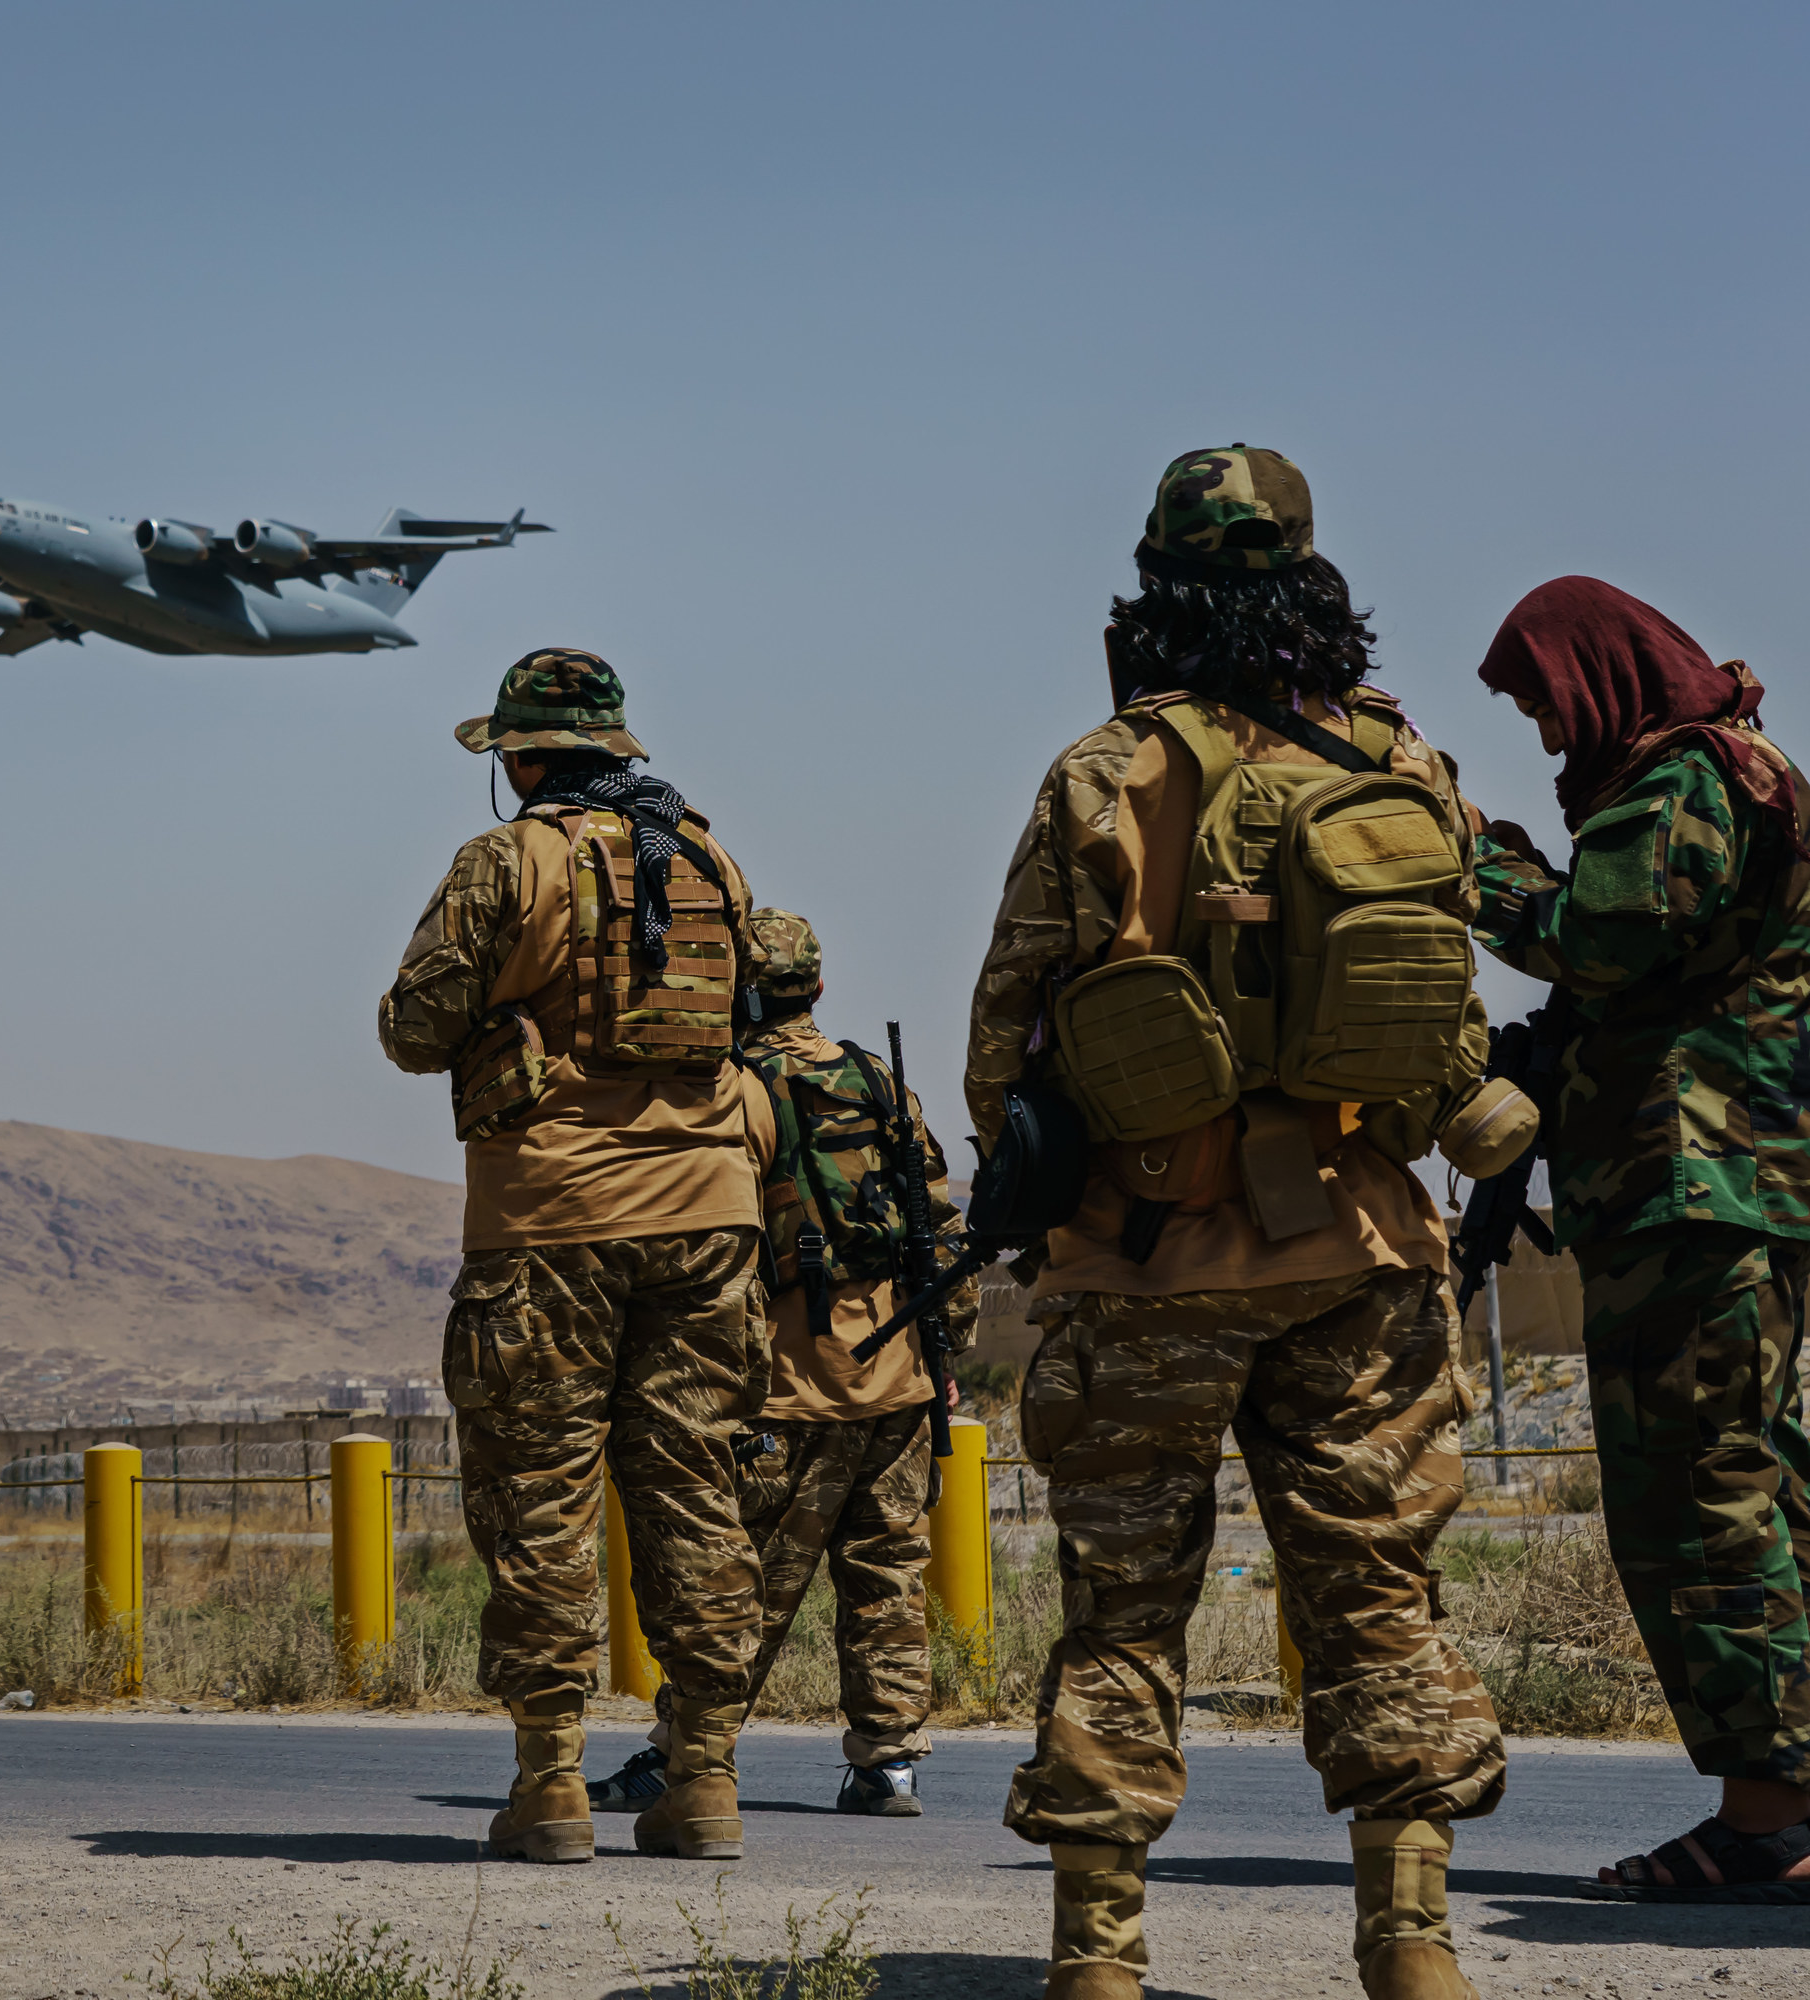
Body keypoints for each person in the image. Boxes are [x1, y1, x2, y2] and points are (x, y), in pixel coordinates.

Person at [965, 449, 1513, 2000]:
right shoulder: (1406, 763)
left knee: (1125, 1608)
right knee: (1377, 1599)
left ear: (1153, 577)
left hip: (1147, 1258)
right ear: (1311, 572)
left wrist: (1019, 1202)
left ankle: (1098, 1958)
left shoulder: (1104, 769)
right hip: (1365, 1251)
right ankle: (1412, 1950)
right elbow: (1448, 1009)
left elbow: (1007, 1030)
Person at [377, 648, 768, 1866]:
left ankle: (550, 1783)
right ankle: (704, 1780)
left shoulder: (504, 861)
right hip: (709, 1216)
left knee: (540, 1497)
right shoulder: (711, 856)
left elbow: (412, 1028)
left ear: (520, 756)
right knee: (696, 1490)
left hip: (550, 1218)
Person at [1467, 577, 1810, 1902]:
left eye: (1550, 707)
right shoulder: (1749, 765)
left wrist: (1472, 860)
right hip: (1730, 1190)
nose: (1554, 742)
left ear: (1603, 668)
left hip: (1697, 1191)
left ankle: (1767, 1818)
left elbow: (1596, 933)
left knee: (1698, 1505)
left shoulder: (1694, 782)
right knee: (1760, 1482)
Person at [586, 907, 969, 1820]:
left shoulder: (730, 1091)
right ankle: (889, 1764)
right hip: (900, 1378)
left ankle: (689, 1750)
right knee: (888, 1578)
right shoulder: (876, 1083)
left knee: (740, 1580)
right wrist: (943, 1348)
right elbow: (938, 1225)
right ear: (819, 987)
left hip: (786, 1389)